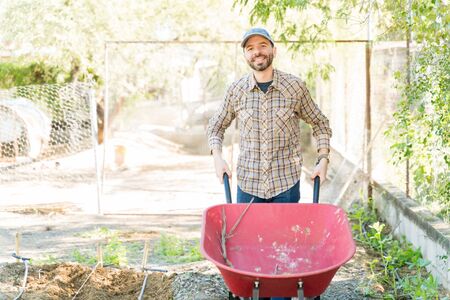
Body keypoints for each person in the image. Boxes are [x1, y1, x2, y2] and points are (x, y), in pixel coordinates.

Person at [206, 28, 332, 300]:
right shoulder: (236, 90)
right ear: (245, 55)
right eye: (250, 48)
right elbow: (215, 127)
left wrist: (323, 158)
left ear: (273, 50)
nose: (257, 52)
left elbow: (320, 123)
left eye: (262, 45)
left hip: (285, 185)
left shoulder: (294, 87)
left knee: (284, 253)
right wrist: (218, 157)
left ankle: (283, 295)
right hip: (248, 187)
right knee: (252, 255)